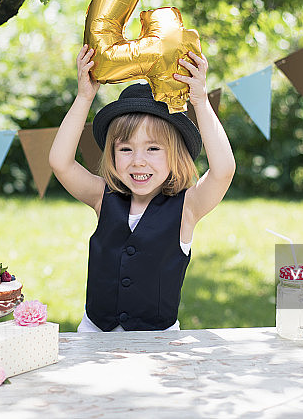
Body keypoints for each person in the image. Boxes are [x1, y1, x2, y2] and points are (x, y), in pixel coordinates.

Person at [49, 45, 236, 332]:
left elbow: (223, 171)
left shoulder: (187, 207)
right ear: (111, 154)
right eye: (125, 149)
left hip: (158, 343)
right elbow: (60, 163)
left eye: (152, 148)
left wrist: (200, 101)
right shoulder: (102, 197)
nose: (138, 161)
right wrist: (84, 97)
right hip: (95, 335)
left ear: (175, 154)